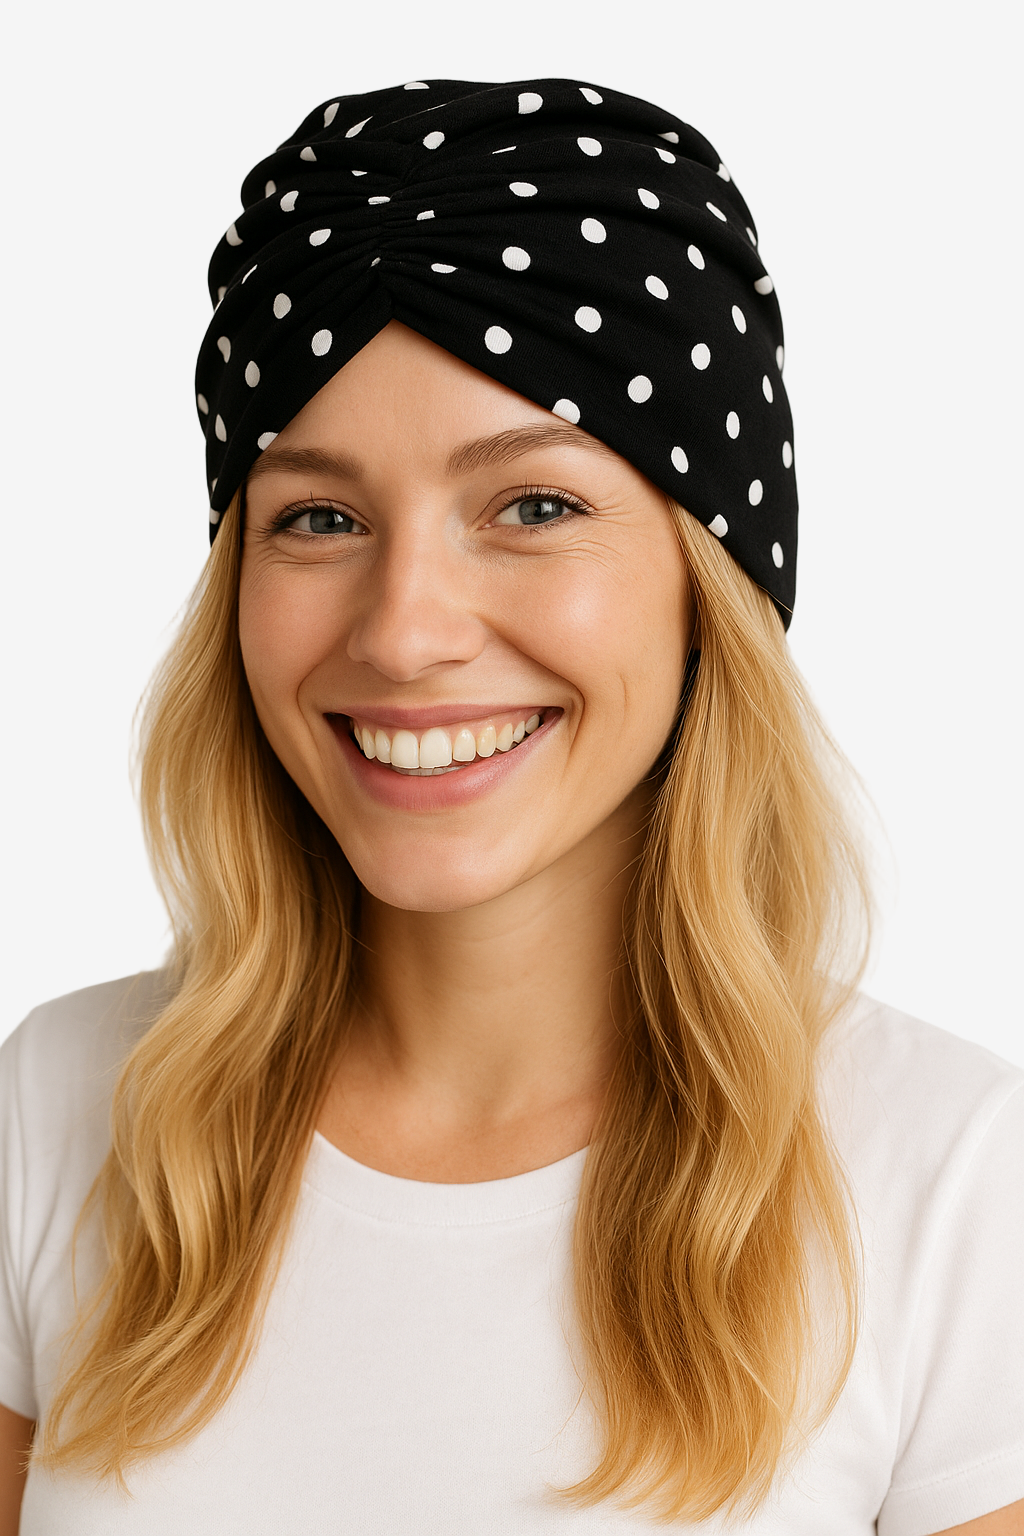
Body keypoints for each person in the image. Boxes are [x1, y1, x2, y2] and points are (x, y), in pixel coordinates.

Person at [1, 78, 1021, 1535]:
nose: (405, 631)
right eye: (319, 517)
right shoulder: (55, 1111)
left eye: (534, 506)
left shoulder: (959, 1186)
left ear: (709, 583)